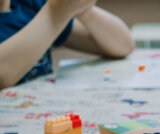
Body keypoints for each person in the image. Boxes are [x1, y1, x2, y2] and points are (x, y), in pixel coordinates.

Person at [0, 0, 134, 89]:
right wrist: (54, 14)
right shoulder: (49, 13)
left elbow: (123, 46)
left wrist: (83, 10)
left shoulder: (29, 5)